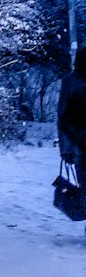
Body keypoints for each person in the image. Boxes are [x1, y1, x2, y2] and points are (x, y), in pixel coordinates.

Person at [57, 46, 86, 189]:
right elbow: (63, 117)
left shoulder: (71, 82)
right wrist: (66, 149)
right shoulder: (70, 82)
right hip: (80, 146)